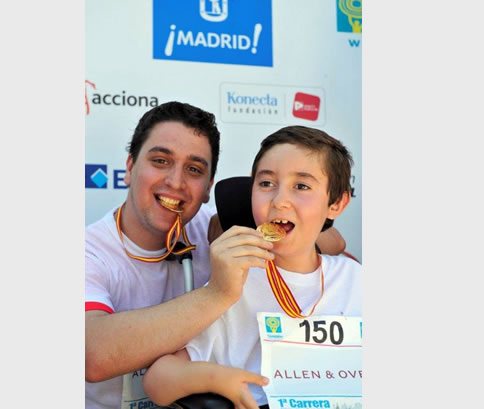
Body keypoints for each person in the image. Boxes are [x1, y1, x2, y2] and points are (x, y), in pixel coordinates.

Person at [85, 102, 349, 409]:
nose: (175, 182)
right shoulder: (89, 251)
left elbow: (332, 240)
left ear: (209, 186)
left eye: (194, 169)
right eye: (160, 161)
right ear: (130, 168)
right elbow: (92, 356)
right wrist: (218, 293)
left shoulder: (217, 227)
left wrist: (297, 238)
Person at [142, 126, 362, 409]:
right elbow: (158, 380)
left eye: (302, 186)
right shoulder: (235, 282)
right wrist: (217, 379)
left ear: (336, 203)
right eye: (266, 184)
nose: (279, 200)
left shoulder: (356, 280)